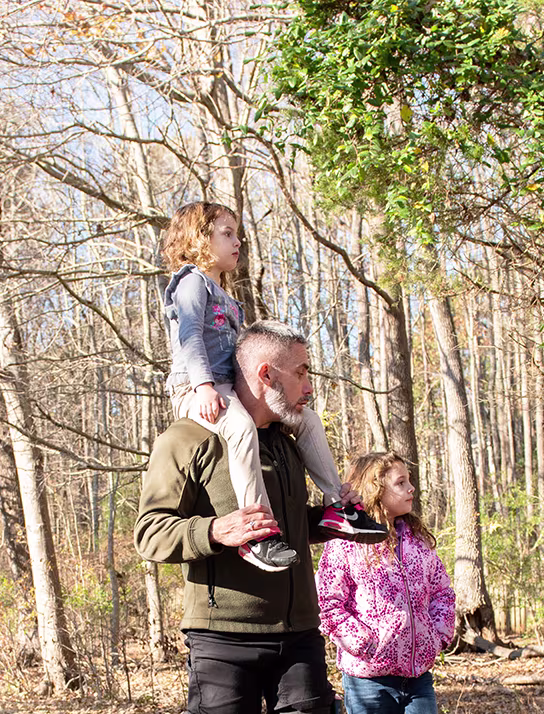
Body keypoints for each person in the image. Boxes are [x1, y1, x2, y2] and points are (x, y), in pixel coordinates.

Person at [136, 319, 362, 714]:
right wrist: (216, 531)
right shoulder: (189, 438)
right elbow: (150, 533)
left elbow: (290, 526)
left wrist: (336, 523)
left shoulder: (288, 446)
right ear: (267, 375)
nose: (310, 386)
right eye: (302, 372)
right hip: (222, 635)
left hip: (297, 633)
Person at [161, 201, 385, 572]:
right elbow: (189, 338)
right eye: (227, 234)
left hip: (228, 388)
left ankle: (339, 507)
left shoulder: (227, 296)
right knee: (241, 428)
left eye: (237, 235)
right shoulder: (190, 282)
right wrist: (202, 387)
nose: (237, 242)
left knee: (307, 419)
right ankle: (258, 532)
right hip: (195, 388)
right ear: (200, 238)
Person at [316, 452, 455, 714]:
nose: (410, 489)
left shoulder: (417, 542)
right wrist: (368, 643)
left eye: (409, 481)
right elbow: (330, 605)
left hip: (416, 675)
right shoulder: (346, 543)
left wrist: (436, 636)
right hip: (367, 678)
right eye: (400, 483)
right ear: (377, 490)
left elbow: (442, 595)